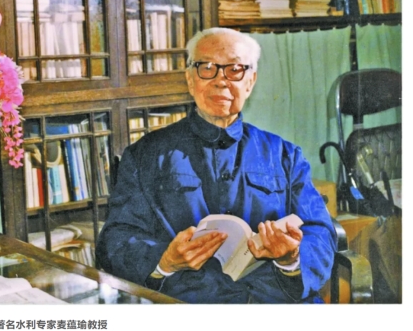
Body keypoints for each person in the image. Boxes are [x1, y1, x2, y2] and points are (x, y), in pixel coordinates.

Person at [96, 27, 337, 303]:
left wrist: (291, 259)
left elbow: (320, 231)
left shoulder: (285, 155)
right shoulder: (145, 155)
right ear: (190, 79)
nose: (221, 81)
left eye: (234, 70)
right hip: (189, 304)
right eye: (207, 68)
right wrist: (164, 260)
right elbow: (116, 238)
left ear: (250, 82)